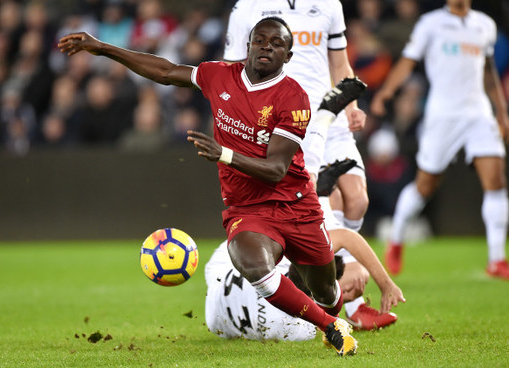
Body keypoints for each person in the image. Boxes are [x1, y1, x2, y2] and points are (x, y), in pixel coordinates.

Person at [58, 17, 378, 356]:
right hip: (247, 209)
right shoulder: (219, 75)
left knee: (327, 292)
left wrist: (223, 153)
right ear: (249, 44)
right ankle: (331, 326)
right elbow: (165, 71)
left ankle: (330, 317)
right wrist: (102, 47)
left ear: (288, 55)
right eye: (260, 39)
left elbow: (275, 169)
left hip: (296, 204)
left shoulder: (292, 97)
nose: (266, 46)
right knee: (255, 267)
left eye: (277, 43)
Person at [223, 0, 395, 330]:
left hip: (330, 111)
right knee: (319, 201)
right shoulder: (247, 7)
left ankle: (339, 287)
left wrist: (352, 104)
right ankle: (351, 304)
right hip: (284, 122)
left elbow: (340, 63)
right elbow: (231, 73)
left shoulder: (329, 4)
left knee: (358, 200)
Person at [370, 0, 509, 280]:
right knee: (425, 185)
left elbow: (489, 72)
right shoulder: (431, 24)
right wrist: (386, 92)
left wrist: (501, 112)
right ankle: (397, 239)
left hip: (478, 113)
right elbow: (407, 61)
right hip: (442, 116)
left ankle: (497, 259)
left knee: (496, 180)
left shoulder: (485, 25)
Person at [206, 223, 404, 339]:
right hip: (216, 322)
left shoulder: (281, 254)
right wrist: (385, 285)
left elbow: (345, 237)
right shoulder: (302, 330)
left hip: (219, 279)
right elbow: (325, 316)